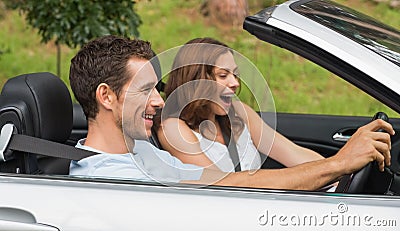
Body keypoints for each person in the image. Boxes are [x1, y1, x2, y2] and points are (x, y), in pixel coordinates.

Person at [68, 35, 394, 190]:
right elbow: (231, 186)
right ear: (106, 97)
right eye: (144, 89)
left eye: (157, 88)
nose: (158, 101)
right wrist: (340, 164)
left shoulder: (142, 154)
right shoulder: (115, 178)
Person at [158, 37, 327, 173]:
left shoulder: (238, 112)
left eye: (235, 74)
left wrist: (337, 170)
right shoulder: (174, 129)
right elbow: (223, 186)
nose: (235, 83)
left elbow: (294, 153)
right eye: (223, 75)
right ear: (196, 81)